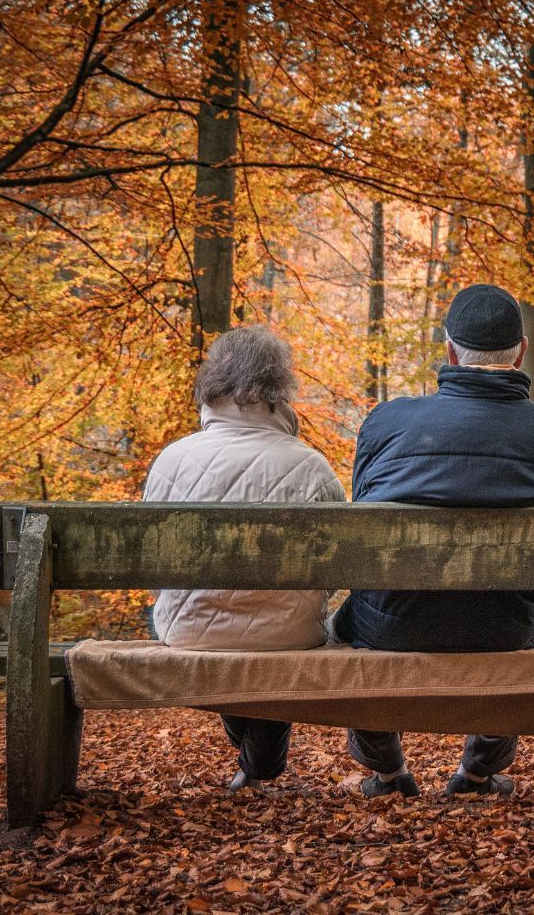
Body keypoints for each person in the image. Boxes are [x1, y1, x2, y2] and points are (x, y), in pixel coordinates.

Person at [331, 284, 534, 799]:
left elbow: (365, 512)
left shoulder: (386, 422)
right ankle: (477, 775)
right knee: (511, 612)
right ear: (520, 352)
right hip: (506, 628)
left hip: (392, 626)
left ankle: (387, 775)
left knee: (357, 617)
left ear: (449, 350)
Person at [145, 325, 345, 792]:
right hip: (289, 632)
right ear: (280, 390)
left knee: (230, 638)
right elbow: (335, 570)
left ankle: (258, 767)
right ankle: (262, 766)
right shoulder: (311, 465)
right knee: (271, 634)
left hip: (187, 630)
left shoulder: (171, 460)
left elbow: (155, 570)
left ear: (212, 385)